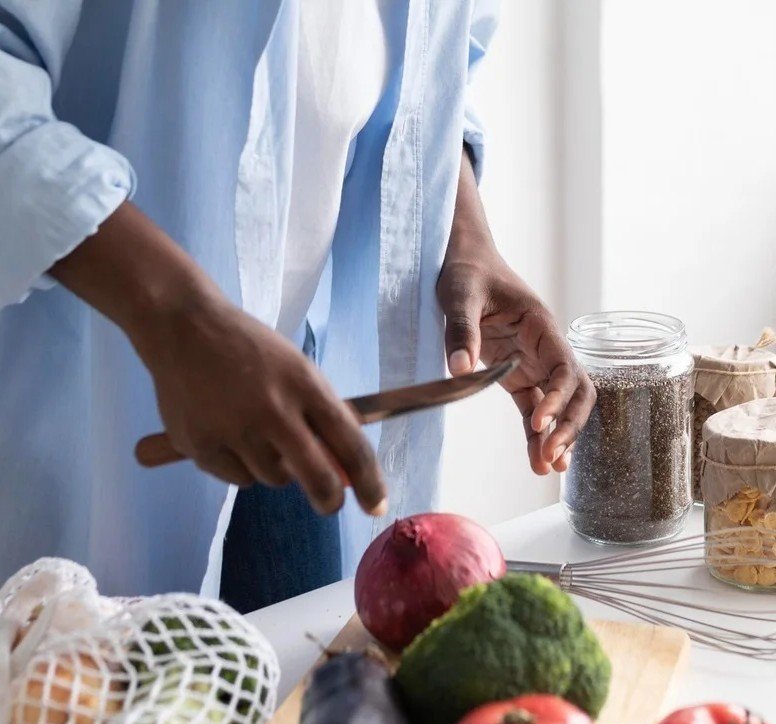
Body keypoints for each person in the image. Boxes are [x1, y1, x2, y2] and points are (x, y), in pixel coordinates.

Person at [0, 1, 594, 611]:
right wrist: (178, 316)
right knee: (82, 657)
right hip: (85, 407)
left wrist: (465, 238)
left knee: (312, 663)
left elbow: (434, 66)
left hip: (294, 394)